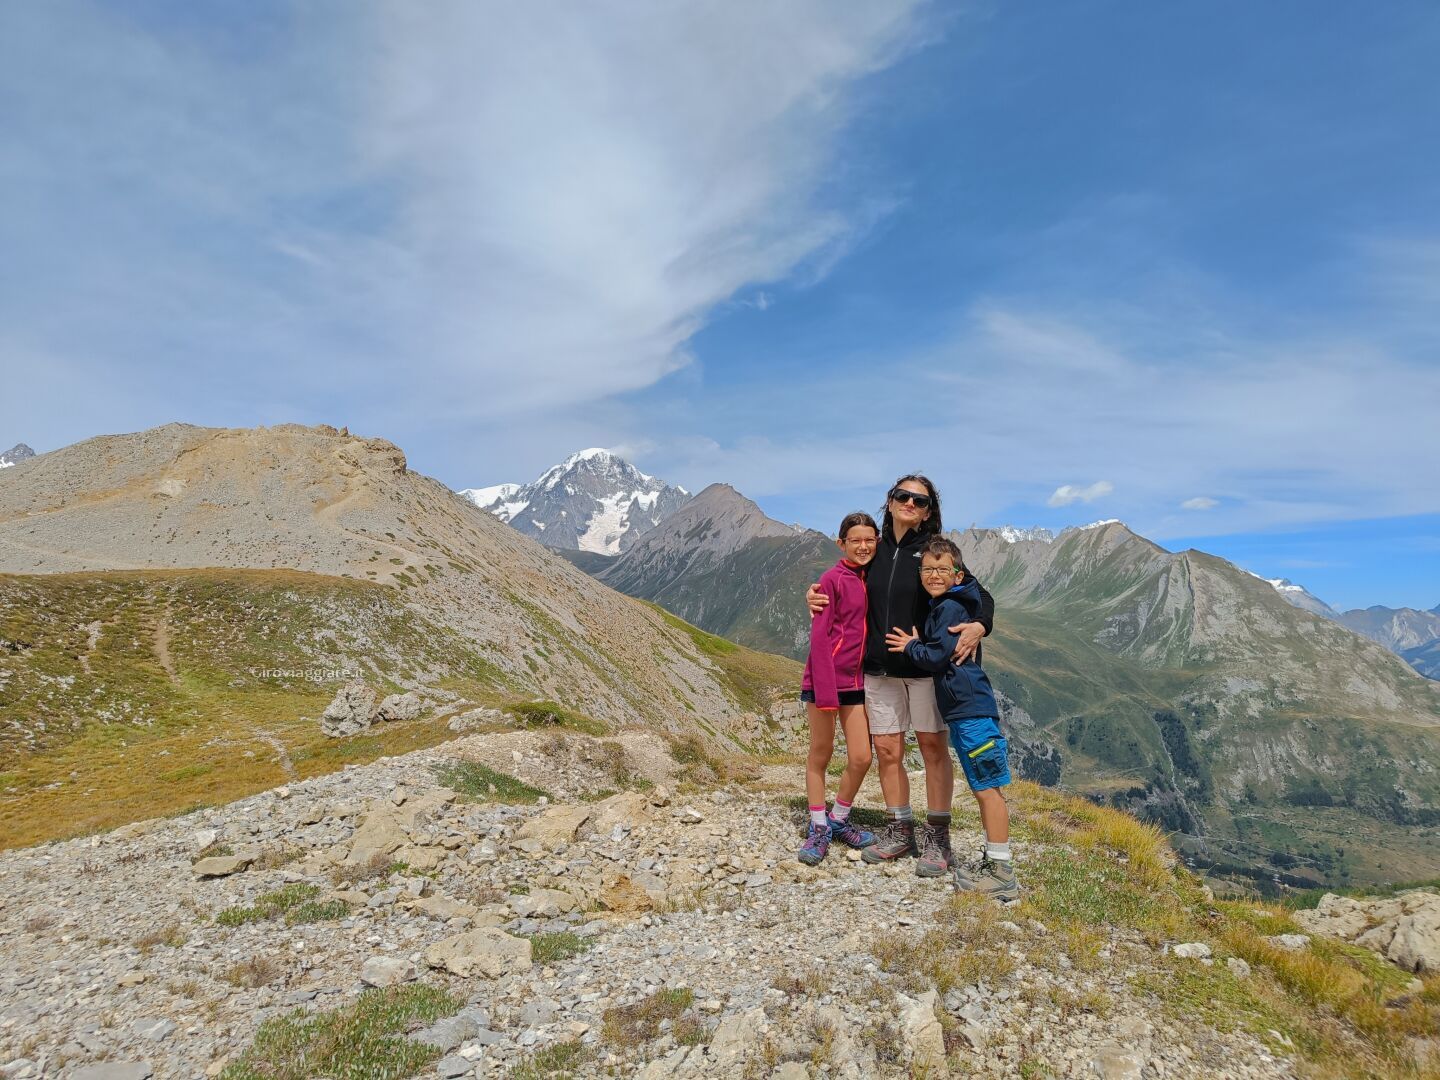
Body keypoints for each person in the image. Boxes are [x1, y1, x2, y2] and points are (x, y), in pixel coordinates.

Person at [806, 475, 994, 877]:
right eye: (902, 496)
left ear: (928, 511)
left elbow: (979, 594)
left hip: (924, 669)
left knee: (931, 749)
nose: (910, 503)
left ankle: (938, 836)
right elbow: (841, 579)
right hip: (877, 671)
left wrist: (981, 625)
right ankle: (900, 826)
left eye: (919, 500)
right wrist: (814, 594)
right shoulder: (873, 547)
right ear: (889, 501)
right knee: (888, 752)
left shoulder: (932, 551)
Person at [885, 536, 1017, 900]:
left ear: (958, 575)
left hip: (971, 710)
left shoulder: (949, 610)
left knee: (987, 788)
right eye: (928, 569)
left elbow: (937, 657)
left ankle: (1003, 874)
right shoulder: (951, 603)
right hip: (966, 710)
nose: (934, 575)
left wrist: (911, 646)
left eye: (942, 569)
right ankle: (996, 862)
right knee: (983, 785)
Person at [797, 512, 880, 865]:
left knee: (862, 756)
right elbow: (819, 638)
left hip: (857, 683)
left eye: (869, 540)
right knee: (821, 752)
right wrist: (826, 692)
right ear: (841, 543)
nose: (863, 546)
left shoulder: (872, 576)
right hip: (825, 682)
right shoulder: (830, 580)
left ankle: (838, 819)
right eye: (855, 540)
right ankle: (817, 827)